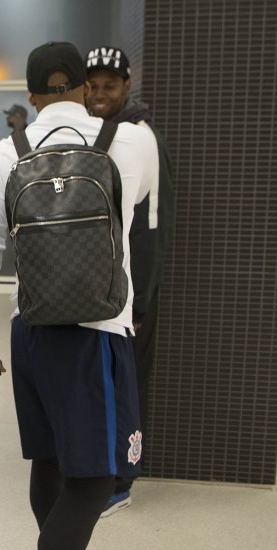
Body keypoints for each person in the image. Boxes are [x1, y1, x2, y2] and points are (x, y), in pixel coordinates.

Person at [0, 41, 156, 550]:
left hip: (32, 329)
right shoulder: (129, 140)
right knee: (95, 479)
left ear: (31, 95)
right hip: (97, 328)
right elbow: (135, 206)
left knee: (48, 462)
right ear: (83, 89)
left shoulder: (3, 154)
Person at [85, 45, 176, 517]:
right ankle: (105, 472)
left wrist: (139, 300)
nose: (100, 94)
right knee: (107, 384)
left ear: (126, 88)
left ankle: (123, 480)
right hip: (102, 290)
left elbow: (150, 224)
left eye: (110, 86)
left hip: (132, 292)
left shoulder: (138, 135)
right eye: (93, 86)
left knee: (128, 385)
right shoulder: (105, 133)